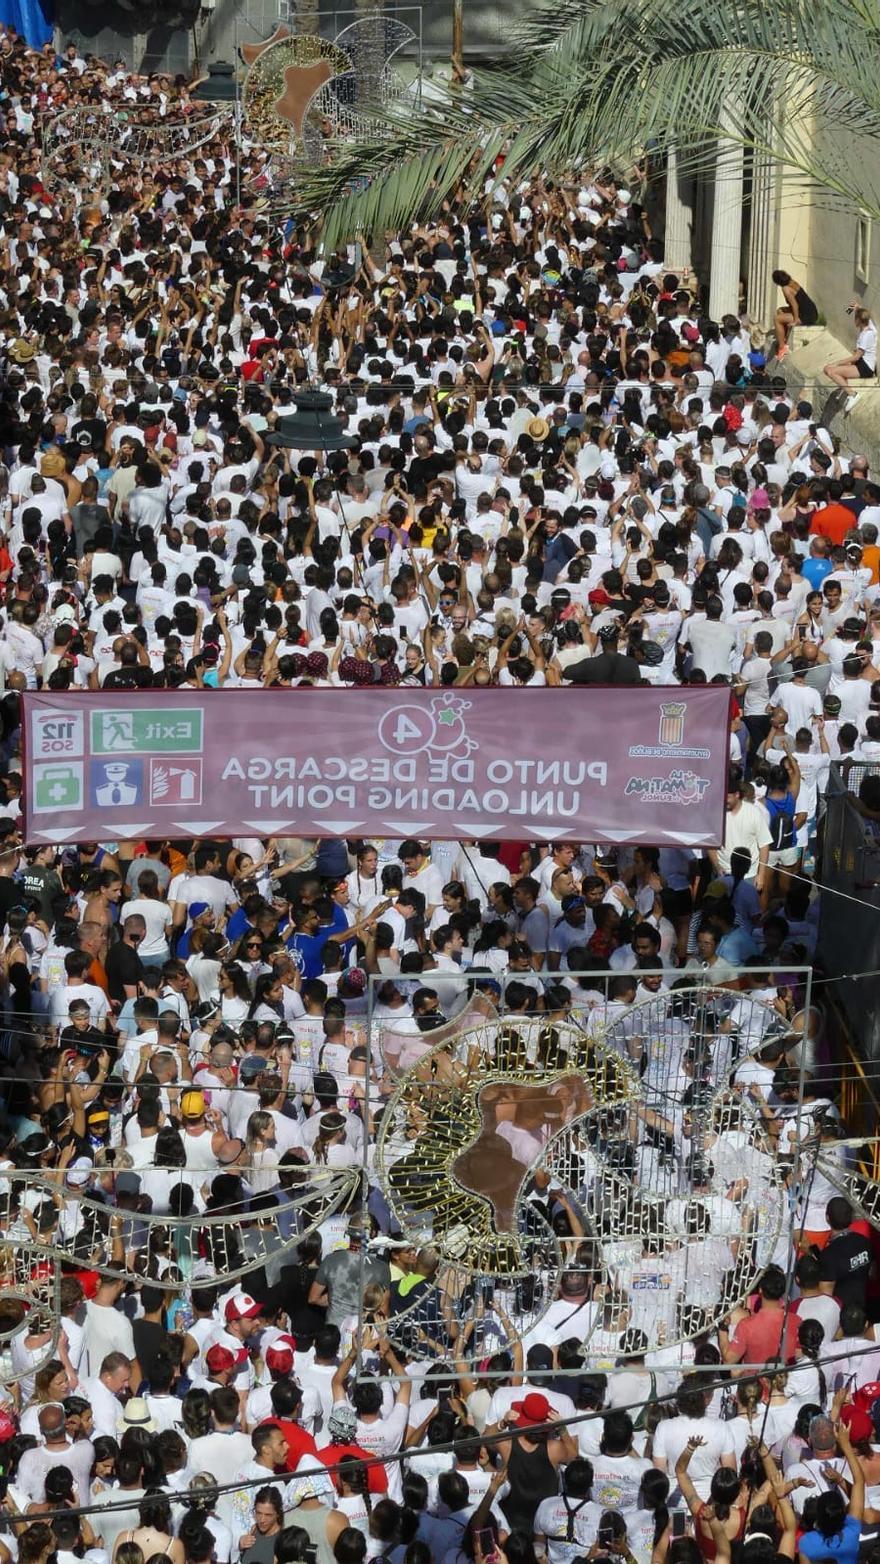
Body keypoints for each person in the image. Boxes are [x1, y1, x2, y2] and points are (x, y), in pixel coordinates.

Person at [824, 305, 878, 407]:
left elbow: (856, 357)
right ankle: (844, 386)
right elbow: (865, 315)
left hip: (865, 367)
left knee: (831, 371)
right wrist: (857, 308)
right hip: (861, 363)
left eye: (855, 319)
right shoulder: (870, 326)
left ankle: (853, 394)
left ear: (859, 320)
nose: (854, 321)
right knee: (826, 369)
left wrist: (837, 363)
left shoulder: (866, 336)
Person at [772, 271, 819, 360]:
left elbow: (794, 305)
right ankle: (784, 338)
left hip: (806, 315)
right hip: (811, 311)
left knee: (777, 319)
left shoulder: (785, 289)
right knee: (780, 311)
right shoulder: (792, 282)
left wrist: (795, 320)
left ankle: (782, 348)